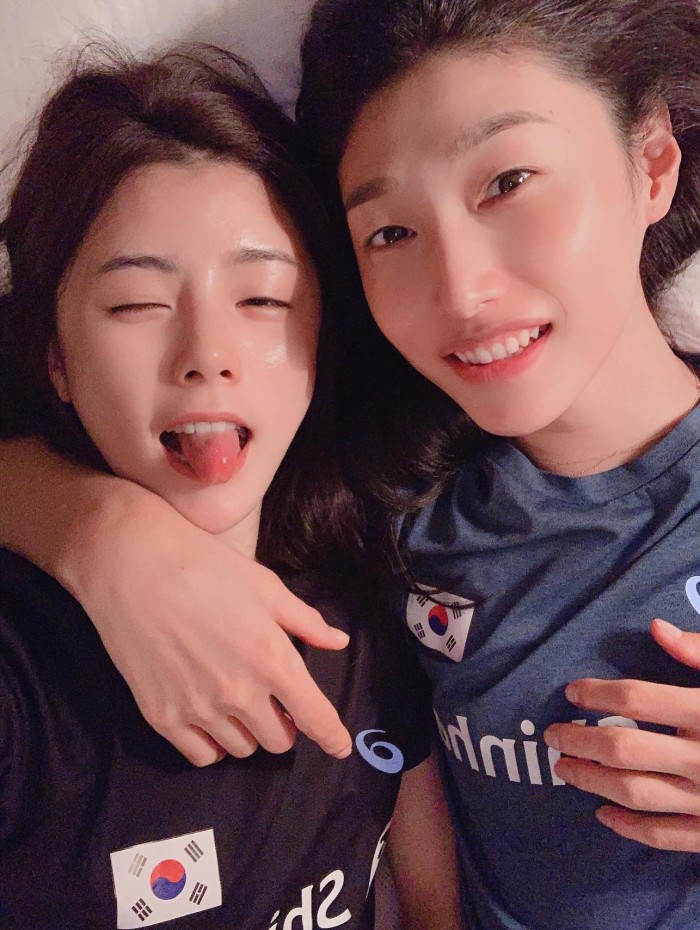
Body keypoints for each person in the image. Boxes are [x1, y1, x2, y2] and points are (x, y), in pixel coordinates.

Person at [0, 0, 699, 923]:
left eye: (509, 181)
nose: (460, 289)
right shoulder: (385, 492)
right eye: (390, 233)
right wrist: (103, 536)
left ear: (652, 161)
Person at [0, 42, 460, 929]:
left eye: (263, 300)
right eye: (137, 304)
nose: (206, 355)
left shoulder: (370, 613)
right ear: (54, 359)